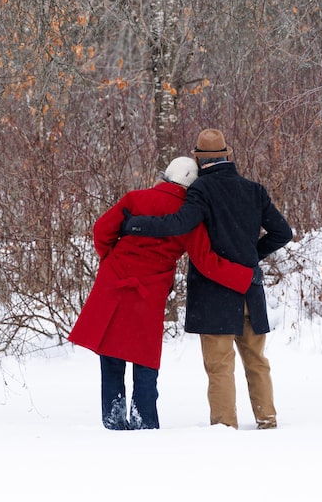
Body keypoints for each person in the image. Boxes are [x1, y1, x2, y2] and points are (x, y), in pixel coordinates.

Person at [121, 128, 293, 430]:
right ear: (226, 155)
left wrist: (136, 225)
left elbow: (179, 223)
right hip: (250, 288)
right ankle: (267, 419)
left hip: (215, 294)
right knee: (256, 360)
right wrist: (251, 255)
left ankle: (225, 426)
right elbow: (283, 232)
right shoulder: (254, 190)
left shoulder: (201, 190)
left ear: (199, 159)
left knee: (219, 365)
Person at [67, 156, 255, 430]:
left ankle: (113, 421)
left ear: (167, 175)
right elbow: (207, 262)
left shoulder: (135, 199)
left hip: (114, 282)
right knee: (144, 359)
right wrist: (245, 277)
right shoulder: (188, 217)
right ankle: (144, 422)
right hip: (149, 291)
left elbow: (101, 231)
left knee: (111, 356)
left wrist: (110, 260)